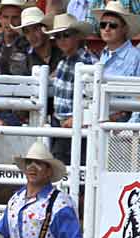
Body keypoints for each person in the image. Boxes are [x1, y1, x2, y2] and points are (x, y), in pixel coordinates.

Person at [44, 13, 97, 164]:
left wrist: (78, 118)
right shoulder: (63, 63)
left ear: (77, 36)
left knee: (66, 165)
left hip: (77, 125)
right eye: (57, 36)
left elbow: (93, 98)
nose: (61, 40)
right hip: (62, 124)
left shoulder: (88, 62)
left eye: (66, 35)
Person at [12, 7, 63, 75]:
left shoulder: (62, 51)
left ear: (45, 29)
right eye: (27, 31)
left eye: (35, 29)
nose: (32, 35)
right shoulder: (23, 57)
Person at [0, 0, 33, 76]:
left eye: (15, 17)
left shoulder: (30, 45)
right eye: (5, 17)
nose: (10, 22)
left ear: (22, 19)